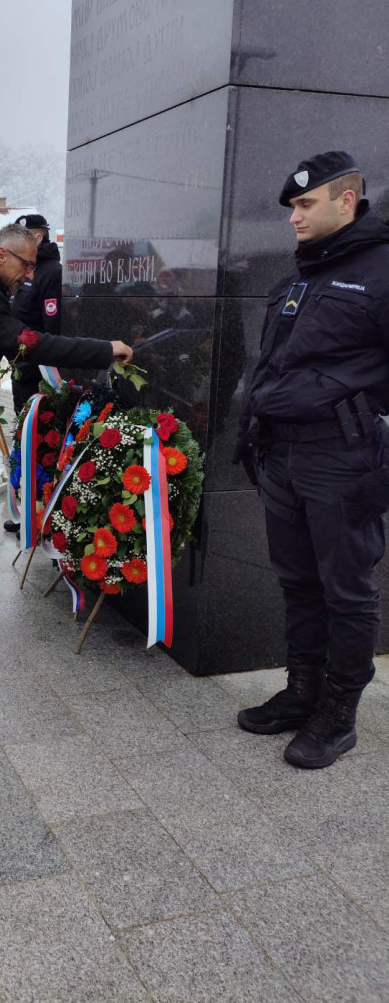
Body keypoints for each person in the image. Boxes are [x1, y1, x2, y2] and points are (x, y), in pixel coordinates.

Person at [234, 151, 389, 769]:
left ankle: (338, 712)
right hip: (285, 455)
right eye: (290, 208)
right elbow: (273, 364)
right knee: (297, 581)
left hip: (344, 457)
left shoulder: (381, 270)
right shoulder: (301, 273)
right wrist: (251, 432)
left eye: (304, 205)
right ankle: (303, 689)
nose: (293, 217)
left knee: (346, 591)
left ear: (346, 201)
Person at [0, 222, 132, 612]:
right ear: (1, 256)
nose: (30, 275)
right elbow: (30, 342)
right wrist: (104, 349)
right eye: (26, 265)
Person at [10, 213, 62, 413]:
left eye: (20, 237)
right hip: (21, 365)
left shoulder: (51, 272)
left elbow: (52, 324)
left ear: (37, 238)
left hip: (39, 370)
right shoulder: (25, 269)